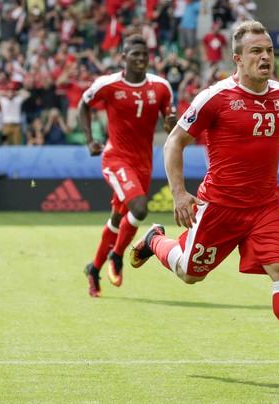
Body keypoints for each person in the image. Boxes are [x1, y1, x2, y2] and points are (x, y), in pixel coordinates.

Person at [129, 20, 279, 381]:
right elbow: (174, 141)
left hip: (266, 206)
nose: (265, 57)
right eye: (256, 51)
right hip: (219, 207)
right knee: (190, 274)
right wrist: (178, 193)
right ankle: (153, 240)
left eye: (268, 50)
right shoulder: (215, 97)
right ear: (238, 59)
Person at [78, 34, 177, 298]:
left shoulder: (161, 87)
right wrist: (89, 140)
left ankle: (93, 268)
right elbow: (83, 104)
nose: (141, 59)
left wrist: (169, 124)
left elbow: (169, 123)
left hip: (143, 163)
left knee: (116, 219)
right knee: (140, 208)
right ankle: (118, 255)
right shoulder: (109, 84)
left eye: (144, 54)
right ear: (123, 57)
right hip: (116, 159)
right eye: (135, 54)